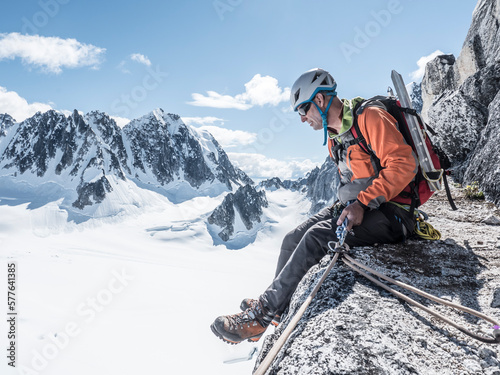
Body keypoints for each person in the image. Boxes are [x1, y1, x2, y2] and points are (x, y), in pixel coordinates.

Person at [210, 68, 418, 344]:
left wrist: (362, 203)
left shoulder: (369, 118)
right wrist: (351, 204)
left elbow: (404, 165)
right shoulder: (335, 137)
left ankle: (260, 317)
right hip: (362, 208)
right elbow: (353, 181)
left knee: (316, 237)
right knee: (292, 238)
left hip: (393, 214)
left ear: (320, 101)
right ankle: (275, 307)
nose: (301, 118)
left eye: (303, 108)